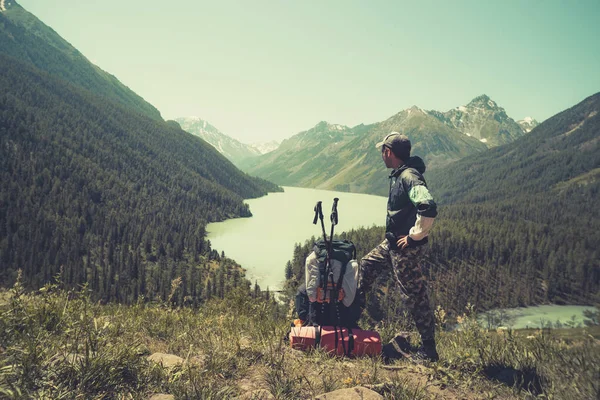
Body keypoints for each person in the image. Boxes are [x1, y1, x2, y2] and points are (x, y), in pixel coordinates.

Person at [359, 132, 439, 362]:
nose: (381, 156)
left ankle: (428, 350)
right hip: (393, 242)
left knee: (414, 295)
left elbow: (428, 207)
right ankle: (351, 319)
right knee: (366, 265)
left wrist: (414, 236)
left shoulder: (409, 177)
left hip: (406, 248)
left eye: (382, 151)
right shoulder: (399, 175)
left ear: (388, 152)